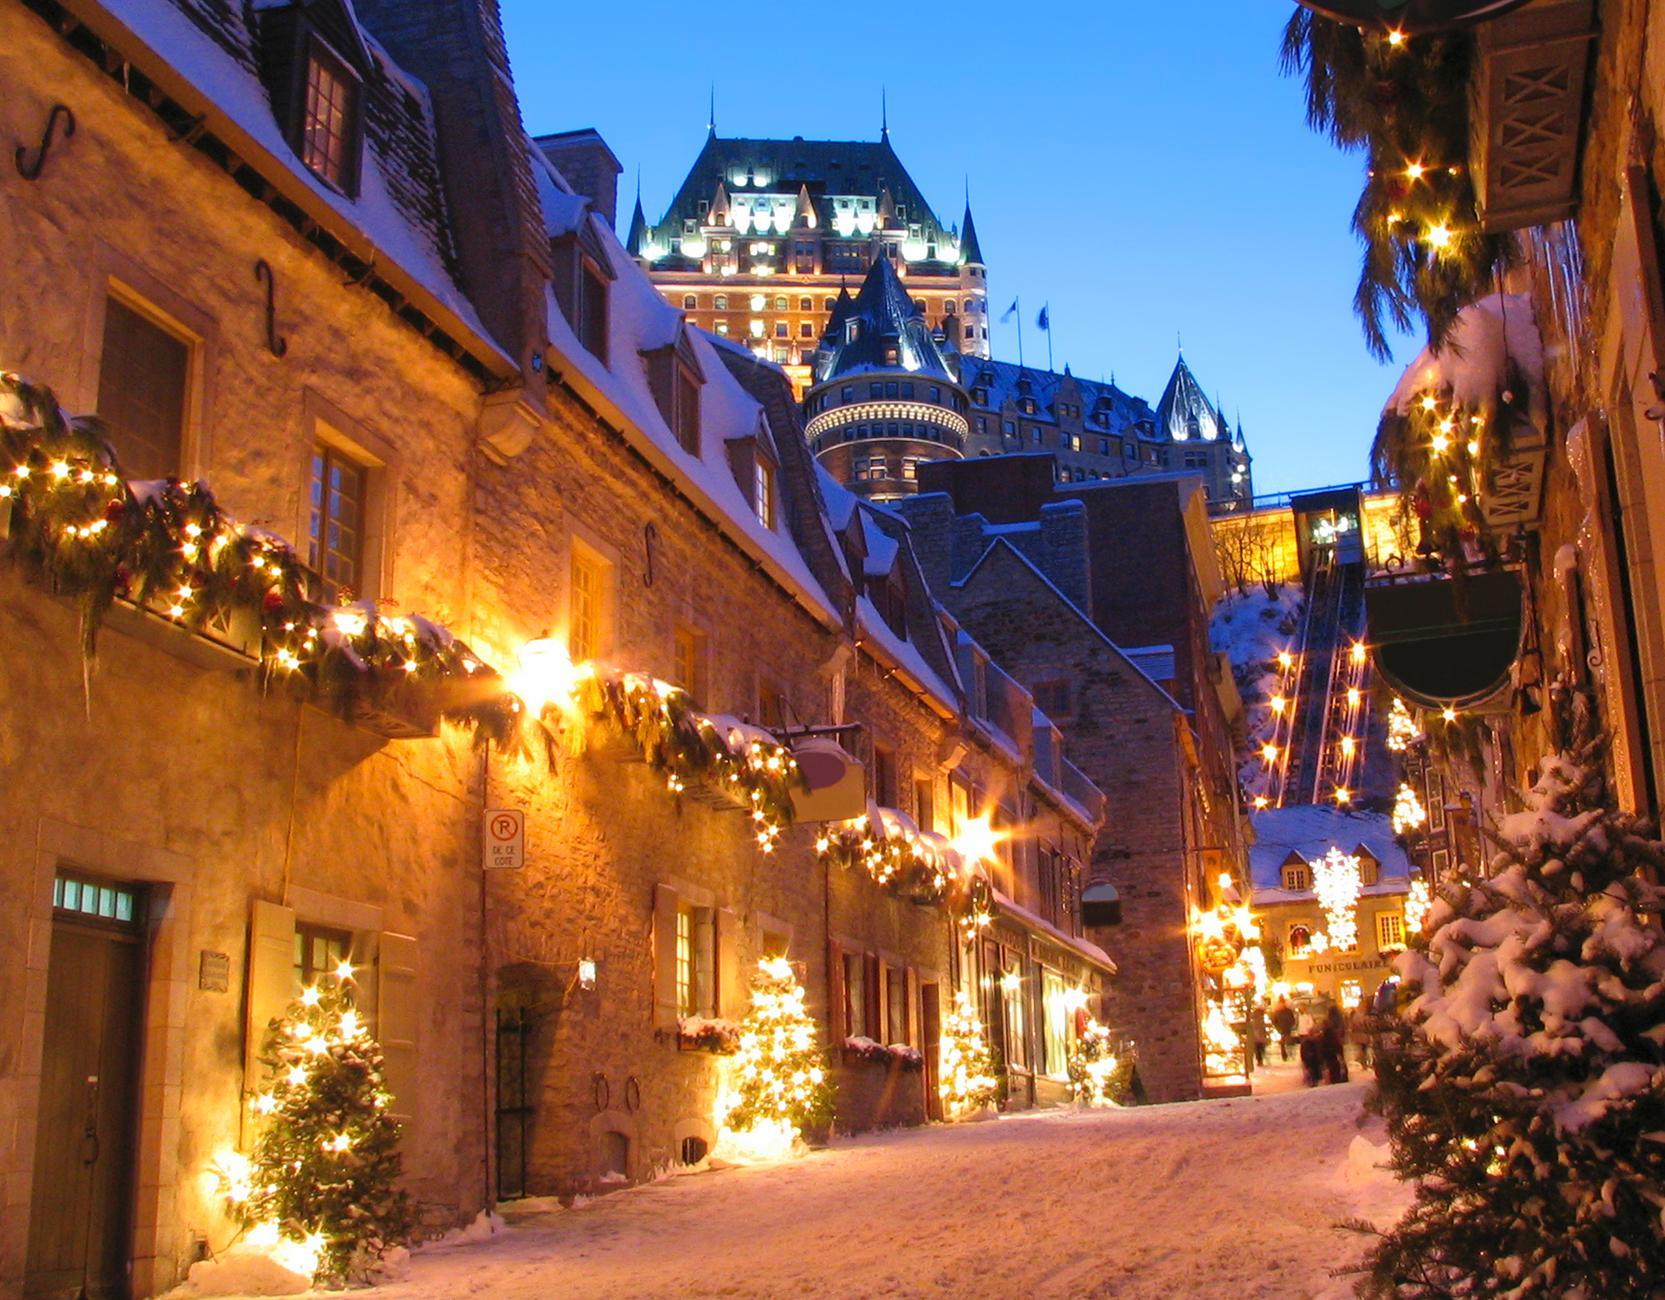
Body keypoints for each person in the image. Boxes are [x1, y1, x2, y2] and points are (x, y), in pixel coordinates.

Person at [1322, 1004, 1349, 1084]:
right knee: (1341, 1058)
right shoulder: (1340, 1019)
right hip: (1338, 1041)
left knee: (1332, 1061)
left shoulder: (1329, 1021)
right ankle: (1344, 1075)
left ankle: (1335, 1076)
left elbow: (1327, 1030)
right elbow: (1342, 1028)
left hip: (1331, 1042)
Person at [1270, 996, 1296, 1061]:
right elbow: (1274, 1021)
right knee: (1283, 1043)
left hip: (1286, 1028)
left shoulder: (1288, 1011)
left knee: (1288, 1042)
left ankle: (1288, 1054)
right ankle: (1285, 1055)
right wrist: (1278, 1027)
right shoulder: (1278, 1012)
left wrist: (1290, 1025)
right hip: (1281, 1029)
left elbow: (1292, 1019)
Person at [1248, 1002, 1268, 1068]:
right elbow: (1262, 1026)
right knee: (1260, 1047)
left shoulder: (1255, 1016)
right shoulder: (1260, 1016)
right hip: (1259, 1034)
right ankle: (1260, 1059)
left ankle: (1259, 1060)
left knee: (1257, 1048)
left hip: (1256, 1034)